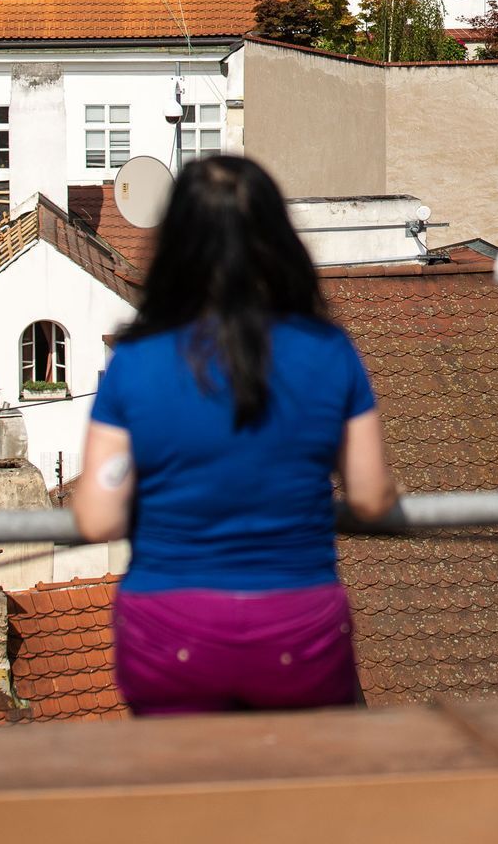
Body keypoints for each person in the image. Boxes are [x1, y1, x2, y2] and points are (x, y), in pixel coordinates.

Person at [73, 154, 398, 715]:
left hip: (170, 637)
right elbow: (369, 499)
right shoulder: (328, 352)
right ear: (278, 242)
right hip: (297, 636)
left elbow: (98, 519)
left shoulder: (137, 361)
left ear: (176, 245)